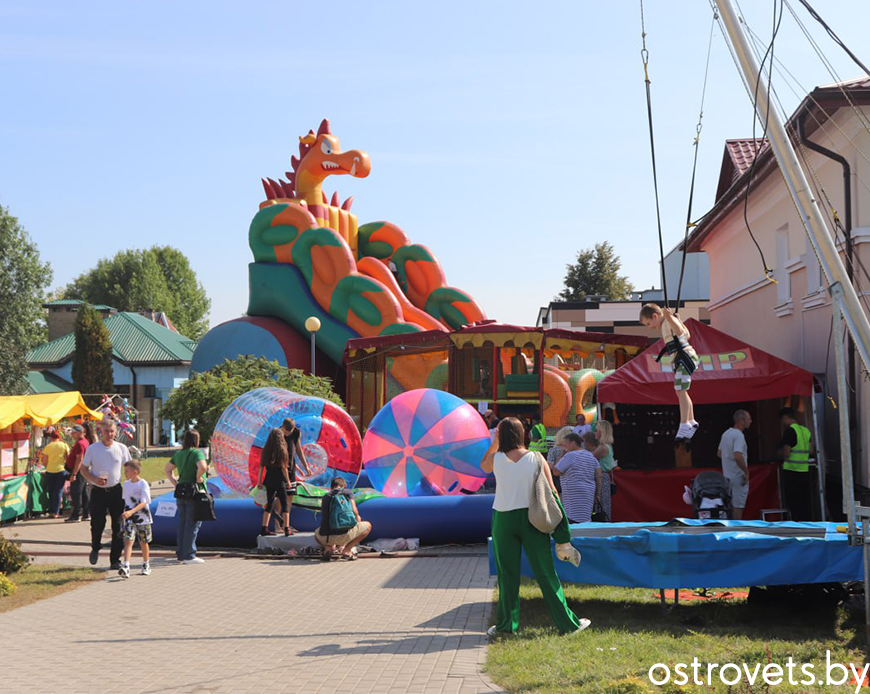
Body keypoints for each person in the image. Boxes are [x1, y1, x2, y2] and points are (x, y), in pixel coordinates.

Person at [481, 418, 589, 637]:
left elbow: (483, 465)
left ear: (502, 435)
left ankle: (506, 626)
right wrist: (560, 528)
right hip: (533, 519)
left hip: (503, 518)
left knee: (507, 574)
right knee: (545, 572)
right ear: (524, 434)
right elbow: (552, 492)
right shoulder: (536, 457)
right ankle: (568, 624)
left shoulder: (497, 459)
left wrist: (495, 441)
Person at [639, 303, 701, 446]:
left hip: (684, 357)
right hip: (683, 358)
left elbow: (680, 333)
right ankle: (691, 420)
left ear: (655, 316)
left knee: (681, 390)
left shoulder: (667, 321)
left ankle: (684, 422)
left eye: (649, 323)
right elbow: (687, 334)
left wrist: (671, 319)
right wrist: (675, 319)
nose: (650, 327)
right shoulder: (668, 322)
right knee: (679, 391)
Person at [80, 419, 131, 569]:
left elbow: (129, 468)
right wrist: (94, 479)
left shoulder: (121, 448)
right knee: (97, 524)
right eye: (106, 431)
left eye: (112, 431)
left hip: (116, 491)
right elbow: (83, 469)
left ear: (116, 432)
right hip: (98, 491)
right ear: (100, 432)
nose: (109, 434)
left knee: (118, 526)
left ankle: (115, 560)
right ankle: (96, 546)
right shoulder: (93, 449)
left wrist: (134, 485)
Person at [255, 418, 311, 537]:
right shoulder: (277, 435)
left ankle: (284, 524)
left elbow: (298, 449)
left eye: (290, 431)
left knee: (287, 497)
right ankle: (279, 525)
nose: (288, 433)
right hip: (281, 473)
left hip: (287, 469)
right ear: (282, 428)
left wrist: (305, 466)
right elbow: (280, 465)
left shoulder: (296, 433)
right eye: (287, 431)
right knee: (279, 500)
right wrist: (287, 480)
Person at [165, 429, 208, 564]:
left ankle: (181, 553)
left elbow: (167, 469)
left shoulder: (179, 454)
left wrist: (175, 483)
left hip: (181, 492)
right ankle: (189, 555)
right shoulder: (197, 453)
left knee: (183, 523)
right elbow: (203, 466)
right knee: (193, 523)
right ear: (196, 440)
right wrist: (198, 476)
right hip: (195, 492)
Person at [314, 477, 372, 560]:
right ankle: (346, 550)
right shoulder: (347, 492)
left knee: (316, 533)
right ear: (344, 486)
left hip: (326, 537)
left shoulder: (326, 496)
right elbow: (354, 510)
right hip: (345, 535)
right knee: (368, 526)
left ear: (331, 487)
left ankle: (328, 548)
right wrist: (357, 518)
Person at [553, 433, 602, 524]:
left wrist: (562, 455)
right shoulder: (590, 456)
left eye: (566, 443)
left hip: (573, 494)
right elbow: (599, 475)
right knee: (585, 519)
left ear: (573, 442)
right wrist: (597, 494)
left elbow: (556, 471)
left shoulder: (570, 455)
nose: (565, 446)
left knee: (572, 519)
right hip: (588, 492)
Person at [118, 460, 153, 578]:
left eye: (127, 471)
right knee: (128, 540)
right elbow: (126, 501)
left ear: (135, 472)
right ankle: (126, 565)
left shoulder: (143, 484)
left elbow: (144, 502)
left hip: (142, 517)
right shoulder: (126, 484)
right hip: (129, 517)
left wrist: (132, 511)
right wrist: (126, 513)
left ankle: (146, 564)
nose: (125, 474)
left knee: (143, 541)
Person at [779, 407, 814, 521]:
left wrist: (779, 454)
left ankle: (796, 523)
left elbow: (786, 453)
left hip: (792, 471)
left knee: (793, 502)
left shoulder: (790, 431)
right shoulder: (805, 431)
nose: (783, 423)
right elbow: (811, 451)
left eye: (782, 420)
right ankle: (806, 523)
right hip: (804, 470)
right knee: (804, 502)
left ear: (786, 418)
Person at [717, 410, 752, 520]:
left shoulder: (726, 434)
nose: (751, 421)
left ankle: (731, 530)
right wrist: (746, 471)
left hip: (727, 475)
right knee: (738, 507)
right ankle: (737, 532)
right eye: (748, 419)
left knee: (730, 506)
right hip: (738, 476)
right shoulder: (739, 436)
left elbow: (719, 453)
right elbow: (737, 455)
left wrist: (728, 461)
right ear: (741, 421)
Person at [64, 424, 92, 523]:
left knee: (76, 492)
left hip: (78, 470)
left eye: (74, 433)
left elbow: (79, 459)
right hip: (83, 470)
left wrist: (74, 473)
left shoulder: (80, 443)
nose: (72, 434)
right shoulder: (85, 442)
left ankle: (76, 515)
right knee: (84, 492)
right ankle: (86, 513)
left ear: (80, 433)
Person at [40, 428, 70, 518]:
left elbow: (44, 460)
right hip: (61, 470)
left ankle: (52, 511)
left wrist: (47, 466)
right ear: (59, 437)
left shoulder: (48, 446)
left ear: (51, 437)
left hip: (50, 471)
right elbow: (68, 458)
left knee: (51, 491)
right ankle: (56, 512)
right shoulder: (64, 445)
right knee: (58, 491)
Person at [590, 421, 617, 522]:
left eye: (596, 430)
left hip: (600, 478)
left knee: (599, 503)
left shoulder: (603, 447)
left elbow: (589, 458)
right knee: (603, 504)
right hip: (604, 477)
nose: (595, 433)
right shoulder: (607, 445)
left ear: (602, 432)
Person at [546, 426, 574, 494]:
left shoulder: (553, 450)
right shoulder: (576, 450)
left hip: (558, 483)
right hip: (572, 482)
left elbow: (550, 467)